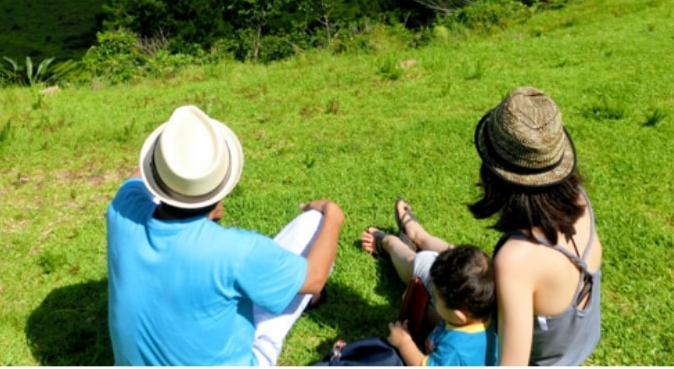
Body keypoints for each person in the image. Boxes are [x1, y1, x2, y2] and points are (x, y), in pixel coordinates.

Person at [367, 87, 602, 366]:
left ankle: (389, 243)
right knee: (466, 265)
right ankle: (418, 235)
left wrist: (406, 344)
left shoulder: (516, 259)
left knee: (427, 267)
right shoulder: (577, 200)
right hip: (575, 345)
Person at [106, 105, 345, 366]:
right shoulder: (237, 251)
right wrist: (332, 214)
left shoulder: (123, 210)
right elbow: (315, 278)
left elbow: (140, 177)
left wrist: (176, 147)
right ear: (221, 188)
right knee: (315, 223)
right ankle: (291, 289)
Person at [387, 245, 497, 367]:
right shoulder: (482, 318)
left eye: (436, 299)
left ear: (458, 316)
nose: (433, 300)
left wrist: (404, 343)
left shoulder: (454, 349)